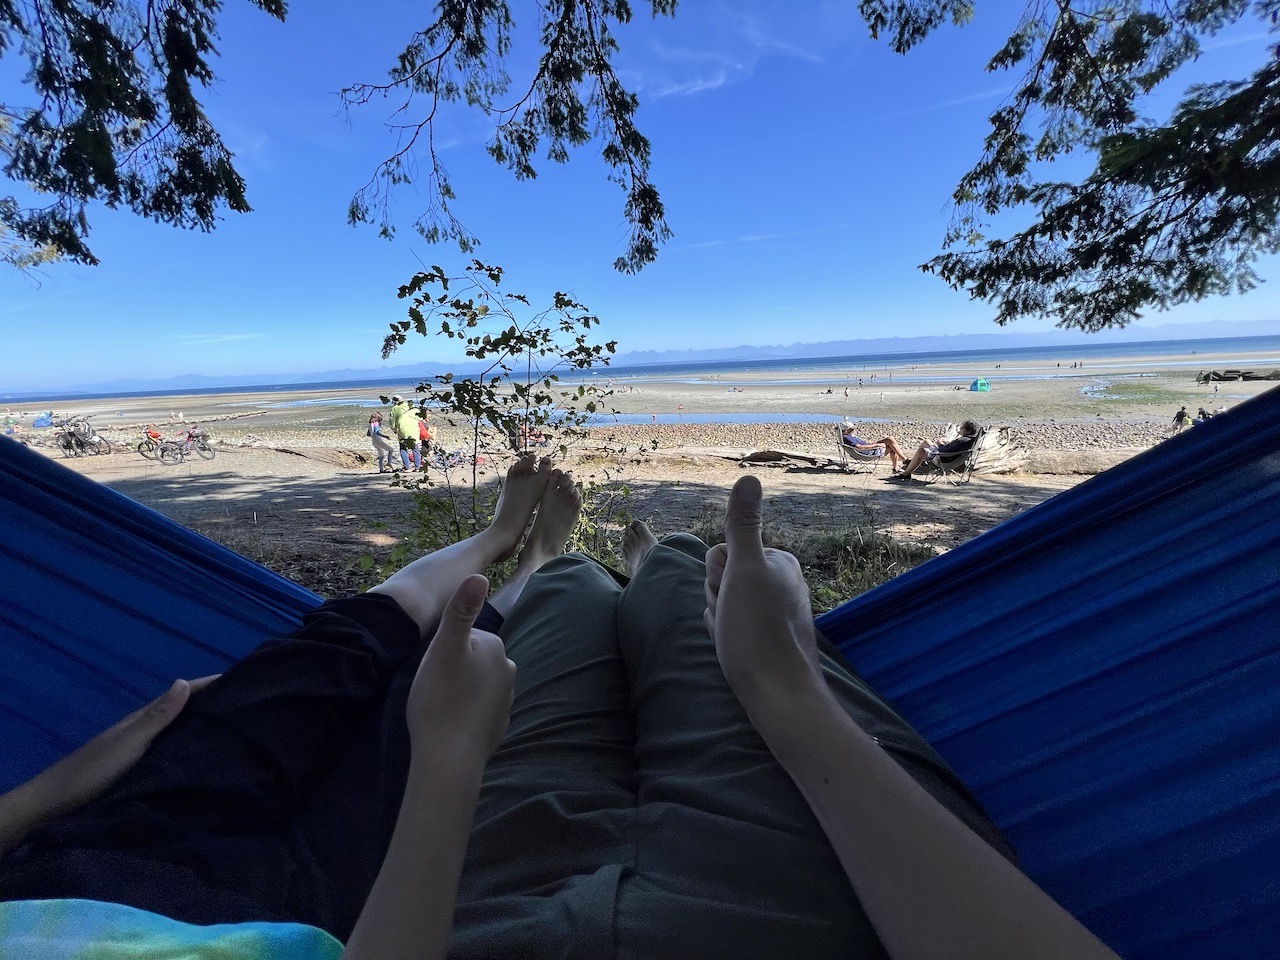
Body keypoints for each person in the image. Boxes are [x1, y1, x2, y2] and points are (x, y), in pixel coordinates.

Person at [0, 465, 1121, 960]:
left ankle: (548, 561)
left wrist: (44, 795)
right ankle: (629, 562)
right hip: (770, 915)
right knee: (692, 590)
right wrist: (790, 694)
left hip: (465, 911)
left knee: (509, 621)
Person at [891, 420, 981, 481]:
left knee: (925, 443)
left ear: (968, 431)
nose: (960, 429)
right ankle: (907, 471)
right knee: (923, 450)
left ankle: (907, 470)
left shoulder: (963, 440)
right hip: (949, 459)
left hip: (942, 459)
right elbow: (952, 449)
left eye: (962, 428)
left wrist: (939, 444)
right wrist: (946, 444)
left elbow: (946, 451)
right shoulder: (969, 440)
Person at [840, 425, 908, 471]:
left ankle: (901, 463)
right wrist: (876, 445)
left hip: (870, 448)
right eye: (851, 429)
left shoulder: (848, 436)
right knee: (892, 445)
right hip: (869, 452)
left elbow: (860, 445)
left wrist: (871, 443)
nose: (853, 430)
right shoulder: (847, 438)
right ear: (846, 430)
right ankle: (903, 461)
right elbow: (860, 447)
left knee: (891, 440)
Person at [388, 395, 421, 470]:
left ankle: (407, 467)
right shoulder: (411, 406)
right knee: (415, 448)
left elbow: (392, 423)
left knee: (403, 448)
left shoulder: (395, 409)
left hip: (402, 430)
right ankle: (417, 467)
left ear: (395, 402)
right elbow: (419, 417)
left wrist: (394, 429)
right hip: (414, 429)